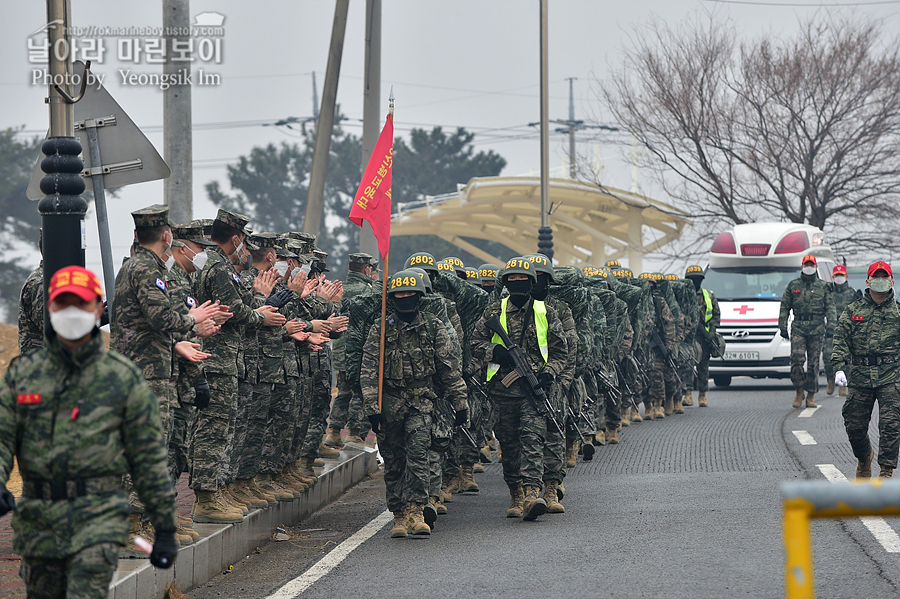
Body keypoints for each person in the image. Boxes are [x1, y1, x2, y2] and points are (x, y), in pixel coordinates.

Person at [0, 265, 178, 597]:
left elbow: (148, 456)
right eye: (63, 304)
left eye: (80, 304)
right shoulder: (23, 376)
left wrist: (165, 523)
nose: (71, 313)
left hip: (98, 519)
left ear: (98, 309)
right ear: (50, 309)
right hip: (39, 524)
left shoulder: (122, 378)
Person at [362, 270, 468, 538]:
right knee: (394, 460)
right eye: (400, 294)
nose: (405, 298)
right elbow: (369, 371)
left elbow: (449, 368)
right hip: (390, 404)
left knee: (419, 454)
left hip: (421, 403)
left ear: (419, 296)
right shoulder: (381, 328)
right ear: (392, 297)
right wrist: (372, 409)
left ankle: (416, 511)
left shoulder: (434, 326)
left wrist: (460, 401)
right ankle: (398, 515)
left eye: (410, 293)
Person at [471, 257, 568, 521]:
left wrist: (548, 375)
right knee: (510, 444)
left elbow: (561, 351)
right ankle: (515, 492)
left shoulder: (544, 311)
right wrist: (496, 352)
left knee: (532, 438)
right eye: (512, 279)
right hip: (502, 391)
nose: (517, 283)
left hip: (533, 390)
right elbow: (475, 343)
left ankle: (531, 492)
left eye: (522, 279)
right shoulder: (494, 311)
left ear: (531, 282)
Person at [833, 260, 900, 479]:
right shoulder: (853, 311)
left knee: (890, 425)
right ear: (868, 281)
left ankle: (886, 471)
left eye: (884, 277)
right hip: (861, 375)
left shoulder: (898, 312)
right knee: (854, 424)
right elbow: (840, 339)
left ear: (891, 281)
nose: (880, 281)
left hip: (891, 375)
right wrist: (839, 368)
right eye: (876, 277)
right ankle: (864, 458)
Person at [326, 253, 377, 449]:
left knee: (343, 391)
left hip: (340, 348)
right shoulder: (370, 290)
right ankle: (355, 433)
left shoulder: (339, 289)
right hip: (362, 349)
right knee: (360, 391)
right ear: (366, 270)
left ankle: (334, 431)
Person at [778, 254, 835, 409]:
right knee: (796, 360)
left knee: (813, 364)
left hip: (817, 327)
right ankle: (798, 390)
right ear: (802, 267)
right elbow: (784, 306)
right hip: (799, 327)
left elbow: (830, 307)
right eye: (806, 265)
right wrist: (782, 326)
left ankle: (810, 395)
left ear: (815, 267)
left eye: (811, 265)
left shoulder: (823, 286)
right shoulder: (793, 285)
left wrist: (831, 326)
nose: (809, 267)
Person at [684, 265, 721, 407]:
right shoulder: (683, 296)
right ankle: (687, 394)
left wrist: (711, 332)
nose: (694, 281)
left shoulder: (708, 295)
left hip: (704, 336)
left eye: (697, 278)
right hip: (689, 336)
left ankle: (702, 395)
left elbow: (716, 315)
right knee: (687, 365)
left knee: (703, 366)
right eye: (692, 279)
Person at [824, 264, 862, 396]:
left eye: (841, 275)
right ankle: (830, 379)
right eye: (837, 275)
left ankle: (843, 385)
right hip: (831, 329)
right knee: (828, 356)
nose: (839, 278)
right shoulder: (828, 293)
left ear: (846, 276)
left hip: (847, 330)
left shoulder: (852, 293)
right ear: (833, 277)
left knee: (847, 358)